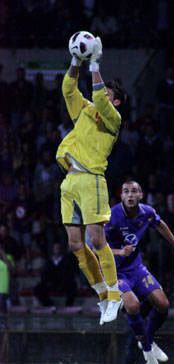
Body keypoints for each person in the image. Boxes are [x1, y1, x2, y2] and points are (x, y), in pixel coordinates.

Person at [56, 35, 125, 324]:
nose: (103, 94)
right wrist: (75, 61)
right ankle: (101, 295)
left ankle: (115, 294)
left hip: (92, 180)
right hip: (69, 182)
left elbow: (98, 95)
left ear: (116, 101)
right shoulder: (85, 110)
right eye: (103, 90)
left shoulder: (112, 119)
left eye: (109, 93)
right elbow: (68, 89)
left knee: (96, 238)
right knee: (75, 243)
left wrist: (95, 62)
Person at [105, 181, 174, 364]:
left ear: (140, 196)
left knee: (163, 304)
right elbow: (96, 248)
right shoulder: (111, 216)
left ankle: (148, 341)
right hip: (115, 271)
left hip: (136, 268)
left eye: (134, 191)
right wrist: (119, 252)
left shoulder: (147, 213)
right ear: (121, 196)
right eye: (126, 191)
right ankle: (147, 351)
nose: (130, 195)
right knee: (133, 305)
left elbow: (160, 225)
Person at [34, 243, 78, 307]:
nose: (57, 249)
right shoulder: (49, 261)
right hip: (51, 283)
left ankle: (68, 305)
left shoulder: (66, 261)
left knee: (73, 285)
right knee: (38, 288)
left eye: (58, 248)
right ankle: (49, 305)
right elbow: (44, 273)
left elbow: (69, 273)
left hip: (63, 283)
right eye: (55, 248)